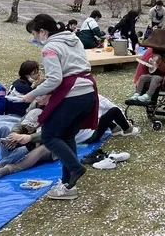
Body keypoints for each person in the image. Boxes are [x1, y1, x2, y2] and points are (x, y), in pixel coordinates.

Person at [23, 14, 98, 201]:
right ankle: (68, 185)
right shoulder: (74, 39)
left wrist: (32, 94)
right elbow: (73, 68)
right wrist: (48, 94)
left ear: (43, 31)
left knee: (49, 135)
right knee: (67, 135)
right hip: (87, 90)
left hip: (72, 94)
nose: (35, 38)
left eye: (35, 34)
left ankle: (75, 168)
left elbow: (55, 78)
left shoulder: (49, 47)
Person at [0, 108, 43, 174]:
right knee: (4, 129)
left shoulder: (41, 133)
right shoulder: (25, 124)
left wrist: (21, 141)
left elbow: (32, 146)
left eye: (30, 127)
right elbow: (18, 125)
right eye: (26, 125)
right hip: (11, 149)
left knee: (24, 149)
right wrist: (13, 135)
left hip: (19, 156)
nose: (27, 128)